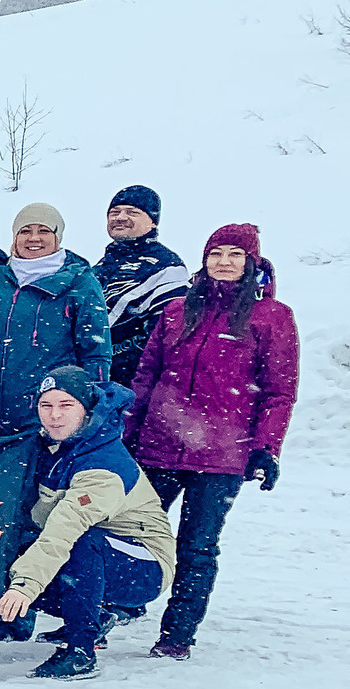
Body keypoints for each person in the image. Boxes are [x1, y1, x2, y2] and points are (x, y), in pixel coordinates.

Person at [125, 223, 298, 659]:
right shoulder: (176, 312)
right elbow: (146, 378)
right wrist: (126, 434)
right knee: (131, 533)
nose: (224, 263)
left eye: (235, 255)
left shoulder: (272, 317)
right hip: (159, 446)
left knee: (197, 547)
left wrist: (267, 447)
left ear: (250, 263)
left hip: (223, 454)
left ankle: (177, 634)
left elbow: (279, 390)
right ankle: (108, 613)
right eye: (216, 253)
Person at [0, 367, 175, 679]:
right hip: (102, 551)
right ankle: (92, 616)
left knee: (78, 542)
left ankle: (80, 652)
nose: (54, 417)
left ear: (87, 409)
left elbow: (63, 531)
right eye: (46, 406)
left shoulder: (102, 466)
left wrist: (24, 586)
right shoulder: (51, 444)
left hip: (144, 565)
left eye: (66, 406)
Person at [0, 203, 109, 438]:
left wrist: (91, 409)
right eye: (25, 231)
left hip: (52, 417)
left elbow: (95, 352)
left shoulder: (81, 283)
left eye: (44, 231)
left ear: (57, 236)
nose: (34, 238)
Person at [94, 183, 187, 384]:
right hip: (97, 380)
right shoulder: (100, 266)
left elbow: (168, 334)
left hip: (133, 384)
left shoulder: (167, 266)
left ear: (153, 222)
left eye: (132, 212)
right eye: (114, 212)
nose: (120, 217)